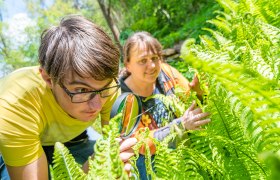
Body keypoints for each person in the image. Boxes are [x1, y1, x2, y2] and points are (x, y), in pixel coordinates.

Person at [0, 15, 136, 180]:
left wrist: (108, 163)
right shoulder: (14, 104)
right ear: (49, 79)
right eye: (81, 90)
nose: (96, 106)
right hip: (16, 143)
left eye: (104, 88)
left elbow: (114, 143)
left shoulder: (106, 86)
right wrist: (87, 173)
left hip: (75, 138)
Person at [118, 31, 211, 179]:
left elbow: (191, 107)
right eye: (143, 61)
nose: (152, 65)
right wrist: (180, 125)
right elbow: (140, 143)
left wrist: (199, 93)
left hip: (182, 154)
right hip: (152, 165)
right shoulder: (122, 100)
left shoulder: (167, 72)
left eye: (155, 58)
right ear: (128, 65)